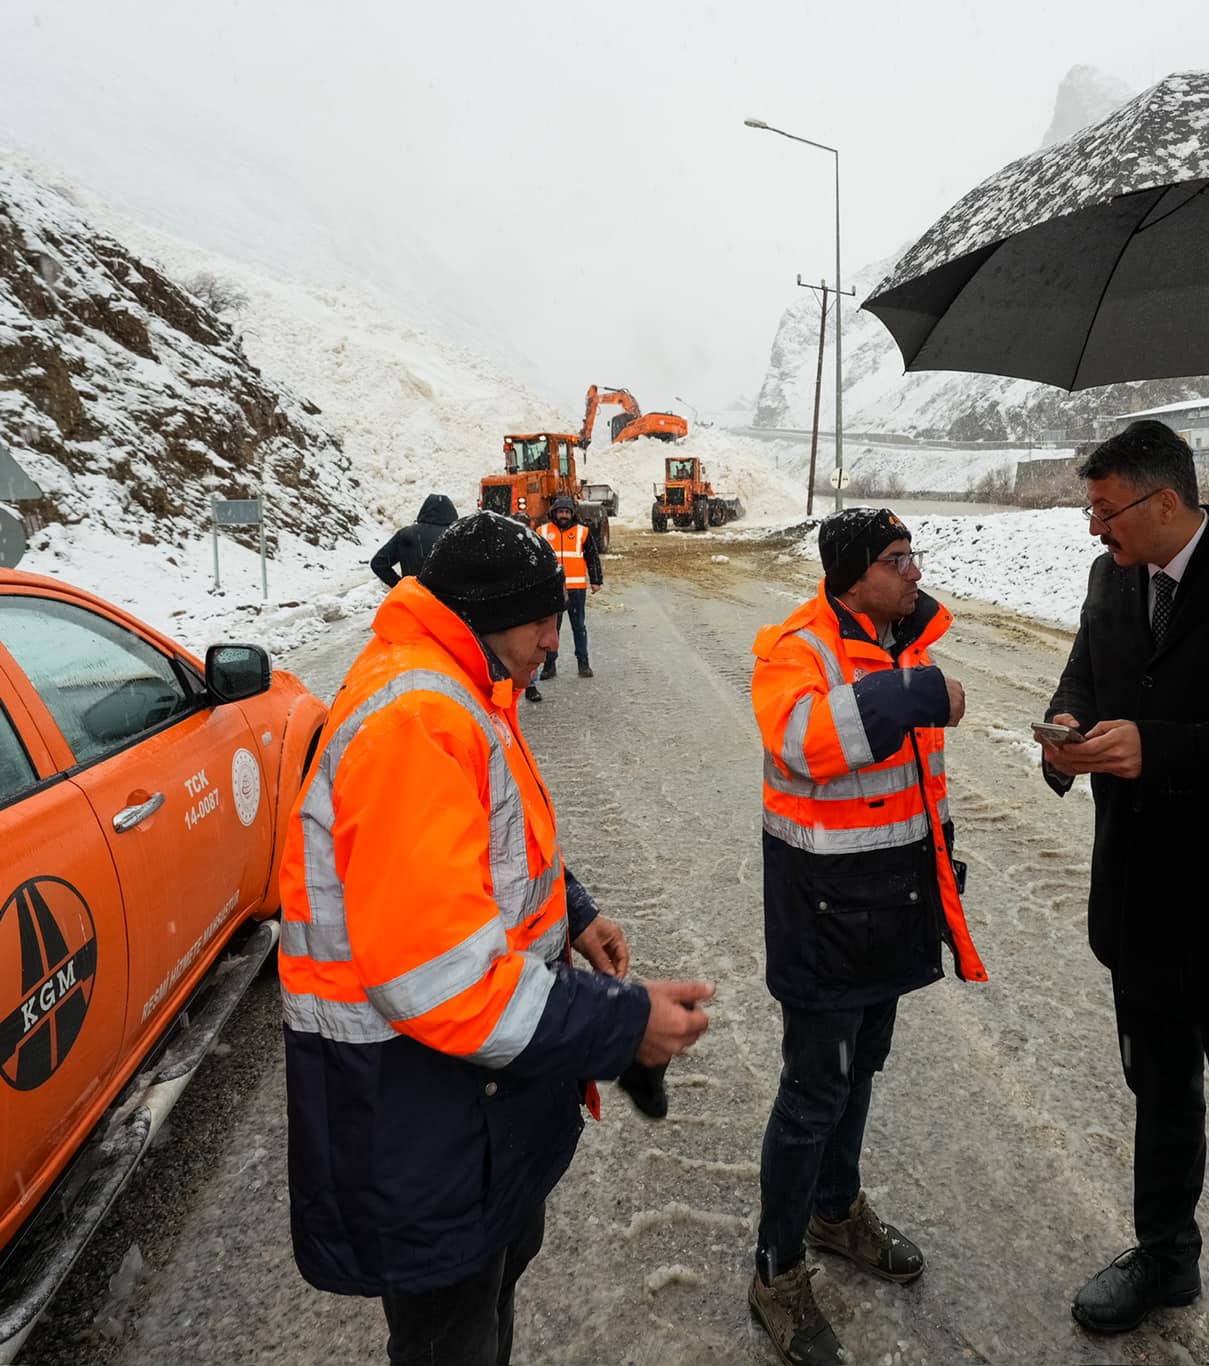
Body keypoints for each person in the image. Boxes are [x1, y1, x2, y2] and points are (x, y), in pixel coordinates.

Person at [277, 510, 716, 1366]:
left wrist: (575, 912)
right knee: (453, 1339)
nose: (556, 642)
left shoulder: (461, 688)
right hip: (418, 1119)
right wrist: (623, 1026)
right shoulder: (416, 722)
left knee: (488, 1306)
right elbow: (440, 978)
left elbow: (489, 849)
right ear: (489, 618)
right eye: (544, 622)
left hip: (467, 1116)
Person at [1041, 420, 1209, 1366]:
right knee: (1158, 1091)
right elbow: (1089, 665)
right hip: (1138, 895)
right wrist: (1067, 724)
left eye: (1104, 511)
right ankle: (1164, 1256)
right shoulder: (1114, 575)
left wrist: (1161, 749)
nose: (1093, 529)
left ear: (1167, 504)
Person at [746, 506, 987, 1366]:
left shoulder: (899, 642)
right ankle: (775, 1272)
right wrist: (916, 693)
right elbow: (805, 740)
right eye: (897, 559)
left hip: (890, 910)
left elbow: (921, 784)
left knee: (860, 1074)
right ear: (852, 576)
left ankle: (835, 1210)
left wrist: (940, 870)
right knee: (814, 1094)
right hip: (823, 918)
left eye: (913, 555)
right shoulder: (795, 650)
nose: (914, 571)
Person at [538, 494, 602, 684]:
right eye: (560, 512)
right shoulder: (542, 532)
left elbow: (592, 558)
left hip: (576, 589)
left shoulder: (583, 532)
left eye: (567, 512)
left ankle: (583, 663)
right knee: (551, 630)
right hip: (553, 590)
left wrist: (596, 580)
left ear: (572, 514)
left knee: (579, 627)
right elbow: (535, 560)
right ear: (554, 513)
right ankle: (549, 665)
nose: (563, 515)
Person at [369, 493, 458, 588]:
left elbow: (378, 563)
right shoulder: (457, 535)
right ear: (451, 512)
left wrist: (400, 585)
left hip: (413, 597)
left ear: (424, 511)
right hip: (447, 600)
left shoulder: (407, 534)